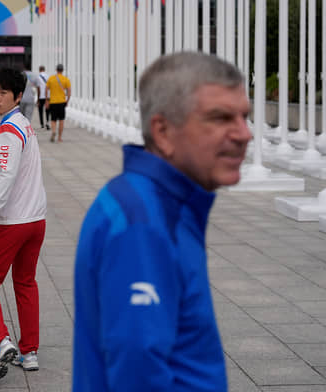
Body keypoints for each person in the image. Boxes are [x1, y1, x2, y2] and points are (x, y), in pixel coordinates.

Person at [73, 52, 251, 392]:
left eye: (244, 116)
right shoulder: (143, 224)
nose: (244, 134)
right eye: (220, 118)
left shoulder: (151, 203)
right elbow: (137, 370)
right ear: (163, 131)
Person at [0, 68, 47, 382]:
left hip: (13, 221)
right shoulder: (24, 124)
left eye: (3, 93)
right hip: (35, 220)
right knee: (26, 283)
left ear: (18, 96)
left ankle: (1, 342)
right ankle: (29, 353)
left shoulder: (7, 131)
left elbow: (7, 175)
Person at [45, 63, 71, 143]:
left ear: (56, 70)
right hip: (61, 102)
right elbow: (69, 92)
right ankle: (59, 137)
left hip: (53, 102)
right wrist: (67, 101)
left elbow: (46, 90)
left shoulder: (51, 78)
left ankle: (53, 131)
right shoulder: (66, 79)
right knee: (61, 120)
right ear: (62, 70)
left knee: (53, 119)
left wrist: (47, 100)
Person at [36, 66, 50, 130]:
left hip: (41, 96)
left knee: (40, 111)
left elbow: (38, 89)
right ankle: (47, 122)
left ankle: (42, 124)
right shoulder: (48, 76)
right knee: (47, 110)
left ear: (39, 70)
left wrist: (38, 99)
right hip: (47, 96)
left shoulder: (38, 77)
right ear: (44, 69)